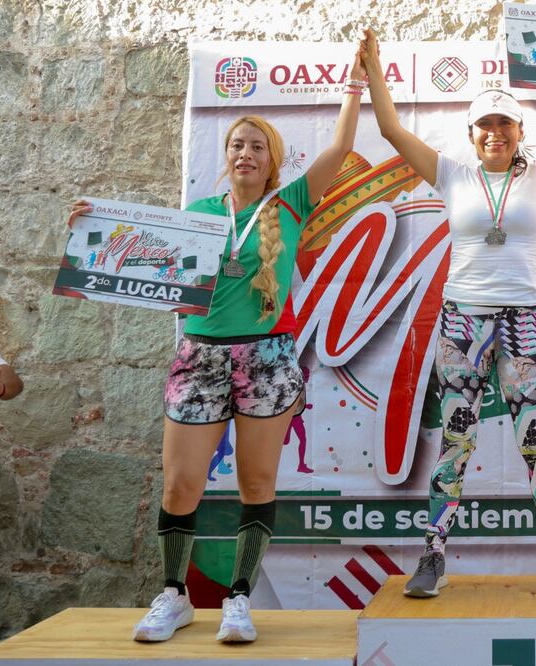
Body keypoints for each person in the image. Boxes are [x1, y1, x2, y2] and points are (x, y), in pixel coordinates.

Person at [66, 46, 366, 644]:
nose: (246, 153)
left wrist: (353, 91)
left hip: (267, 359)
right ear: (225, 159)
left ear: (272, 162)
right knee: (181, 484)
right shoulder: (197, 216)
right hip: (200, 357)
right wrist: (88, 229)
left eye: (257, 147)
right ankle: (174, 594)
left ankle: (238, 600)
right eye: (237, 145)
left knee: (257, 484)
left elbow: (337, 151)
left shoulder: (290, 206)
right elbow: (143, 261)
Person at [360, 28, 536, 598]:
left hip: (522, 317)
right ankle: (432, 558)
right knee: (457, 440)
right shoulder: (453, 174)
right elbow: (391, 129)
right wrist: (375, 72)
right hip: (463, 320)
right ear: (472, 136)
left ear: (520, 132)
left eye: (505, 123)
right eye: (485, 125)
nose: (495, 133)